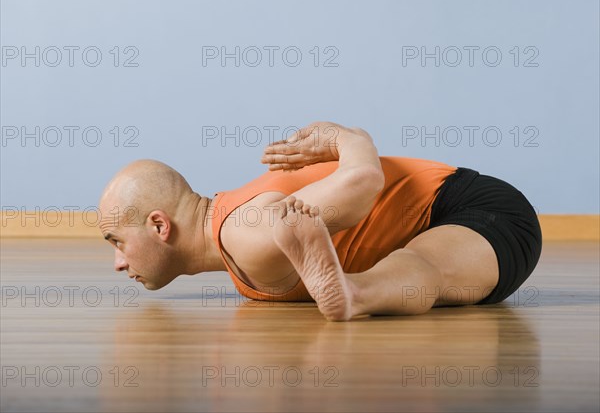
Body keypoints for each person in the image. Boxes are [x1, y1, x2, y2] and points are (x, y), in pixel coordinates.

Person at [98, 121, 542, 321]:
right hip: (423, 224)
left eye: (117, 241)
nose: (118, 263)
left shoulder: (243, 230)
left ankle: (356, 293)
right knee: (419, 264)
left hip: (482, 212)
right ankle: (355, 293)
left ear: (160, 225)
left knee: (424, 264)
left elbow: (364, 179)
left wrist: (350, 137)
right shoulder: (239, 234)